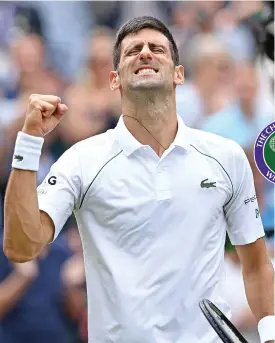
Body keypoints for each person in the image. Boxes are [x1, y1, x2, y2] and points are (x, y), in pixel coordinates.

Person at [3, 16, 274, 343]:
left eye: (157, 48)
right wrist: (28, 142)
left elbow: (257, 265)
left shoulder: (226, 157)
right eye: (133, 51)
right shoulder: (82, 160)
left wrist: (270, 334)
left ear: (179, 74)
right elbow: (20, 247)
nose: (145, 53)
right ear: (115, 80)